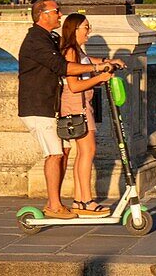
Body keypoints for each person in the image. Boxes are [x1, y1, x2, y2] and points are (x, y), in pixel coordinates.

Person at [17, 0, 124, 219]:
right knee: (54, 154)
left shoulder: (51, 37)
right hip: (39, 105)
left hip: (51, 106)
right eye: (57, 11)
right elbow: (63, 66)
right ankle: (54, 206)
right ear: (43, 14)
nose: (60, 14)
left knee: (63, 152)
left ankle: (58, 203)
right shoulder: (36, 40)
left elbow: (74, 56)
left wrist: (104, 61)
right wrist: (97, 69)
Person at [59, 13, 116, 217]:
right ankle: (85, 201)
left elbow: (88, 62)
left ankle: (80, 199)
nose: (88, 32)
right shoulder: (70, 53)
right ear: (74, 30)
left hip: (81, 104)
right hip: (77, 105)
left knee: (83, 153)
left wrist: (108, 62)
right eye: (85, 27)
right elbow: (74, 85)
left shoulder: (76, 51)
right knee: (88, 151)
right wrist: (100, 76)